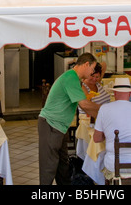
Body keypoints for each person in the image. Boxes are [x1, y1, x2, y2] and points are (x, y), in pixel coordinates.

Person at [38, 52, 100, 185]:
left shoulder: (75, 79)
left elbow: (85, 103)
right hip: (51, 125)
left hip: (60, 127)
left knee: (63, 166)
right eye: (92, 68)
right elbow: (84, 104)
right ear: (86, 64)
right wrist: (104, 111)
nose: (92, 72)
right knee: (49, 168)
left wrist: (101, 113)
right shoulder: (71, 77)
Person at [93, 77, 131, 174]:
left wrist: (108, 135)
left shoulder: (104, 109)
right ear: (130, 93)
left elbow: (97, 138)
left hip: (114, 164)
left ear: (114, 93)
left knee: (96, 161)